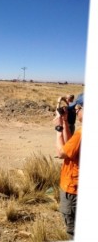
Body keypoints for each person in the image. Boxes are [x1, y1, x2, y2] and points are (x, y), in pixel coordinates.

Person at [56, 99, 82, 239]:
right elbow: (69, 146)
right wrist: (65, 122)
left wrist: (58, 129)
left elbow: (62, 153)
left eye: (77, 109)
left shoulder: (82, 133)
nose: (76, 112)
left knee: (73, 230)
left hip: (73, 189)